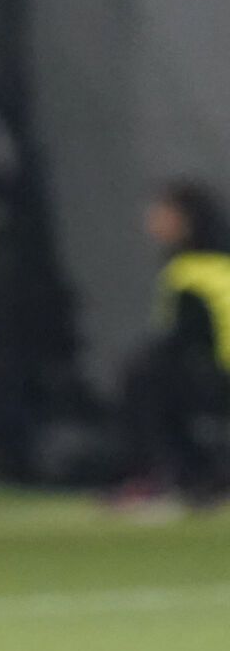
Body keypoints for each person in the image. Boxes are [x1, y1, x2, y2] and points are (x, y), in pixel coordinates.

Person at [113, 181, 230, 506]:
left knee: (145, 376)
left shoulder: (188, 271)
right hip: (214, 373)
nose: (151, 220)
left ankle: (167, 477)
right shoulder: (215, 261)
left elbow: (187, 338)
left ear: (185, 220)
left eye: (161, 213)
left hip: (219, 376)